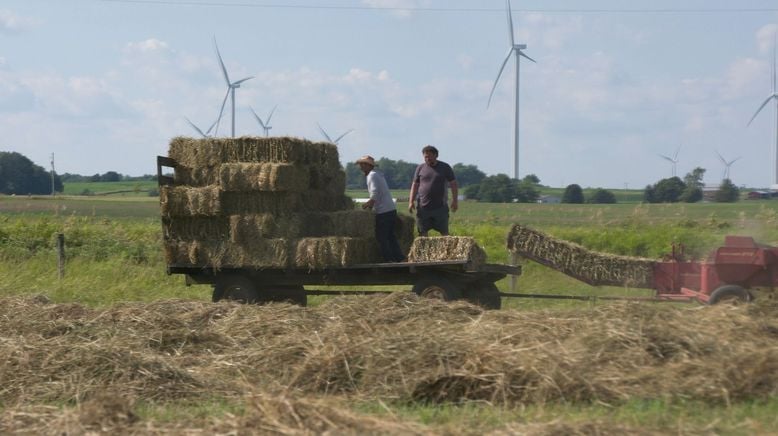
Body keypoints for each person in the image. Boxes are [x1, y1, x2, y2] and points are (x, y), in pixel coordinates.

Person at [356, 155, 406, 262]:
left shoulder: (372, 176)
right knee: (391, 237)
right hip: (390, 209)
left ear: (368, 165)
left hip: (384, 211)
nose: (360, 167)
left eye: (362, 165)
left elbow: (374, 193)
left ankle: (389, 260)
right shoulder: (377, 174)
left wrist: (367, 205)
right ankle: (400, 258)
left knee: (382, 238)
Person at [408, 145, 458, 236]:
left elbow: (453, 184)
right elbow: (415, 185)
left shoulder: (445, 167)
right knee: (422, 233)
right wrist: (411, 201)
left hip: (440, 207)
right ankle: (424, 250)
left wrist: (455, 201)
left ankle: (446, 250)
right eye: (425, 157)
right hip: (423, 207)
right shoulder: (420, 168)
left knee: (445, 233)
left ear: (436, 155)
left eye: (429, 156)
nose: (427, 159)